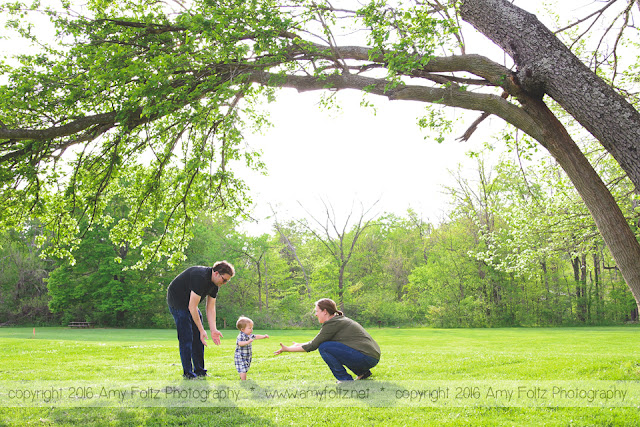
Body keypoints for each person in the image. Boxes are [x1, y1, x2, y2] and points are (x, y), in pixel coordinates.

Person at [274, 298, 380, 382]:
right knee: (328, 346)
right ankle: (363, 373)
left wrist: (287, 349)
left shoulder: (333, 323)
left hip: (367, 357)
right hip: (371, 356)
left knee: (325, 348)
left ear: (325, 311)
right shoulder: (337, 320)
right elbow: (316, 341)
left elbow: (313, 345)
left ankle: (345, 380)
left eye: (317, 311)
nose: (315, 314)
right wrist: (298, 345)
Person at [166, 261, 235, 379]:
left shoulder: (215, 284)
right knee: (187, 338)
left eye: (227, 281)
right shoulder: (200, 277)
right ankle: (188, 373)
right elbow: (192, 307)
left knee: (198, 339)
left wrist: (213, 330)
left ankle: (200, 371)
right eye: (224, 280)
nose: (224, 283)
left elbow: (210, 307)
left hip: (191, 304)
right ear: (217, 273)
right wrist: (202, 329)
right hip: (177, 302)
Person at [234, 316, 269, 380]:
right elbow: (240, 343)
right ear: (242, 329)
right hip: (240, 356)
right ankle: (244, 381)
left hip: (247, 356)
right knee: (243, 369)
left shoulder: (249, 335)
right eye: (249, 328)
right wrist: (247, 342)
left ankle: (242, 377)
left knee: (245, 368)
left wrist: (264, 336)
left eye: (252, 328)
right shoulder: (241, 336)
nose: (251, 329)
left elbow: (256, 336)